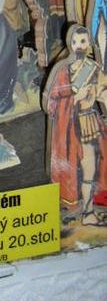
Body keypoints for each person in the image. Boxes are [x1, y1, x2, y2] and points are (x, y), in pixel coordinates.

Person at [43, 25, 107, 224]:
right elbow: (51, 101)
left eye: (83, 41)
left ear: (88, 43)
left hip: (90, 123)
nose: (79, 46)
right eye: (75, 42)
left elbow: (104, 92)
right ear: (69, 44)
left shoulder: (93, 68)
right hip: (69, 127)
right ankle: (83, 210)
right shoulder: (62, 72)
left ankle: (88, 211)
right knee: (76, 169)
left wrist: (99, 94)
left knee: (91, 170)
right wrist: (73, 96)